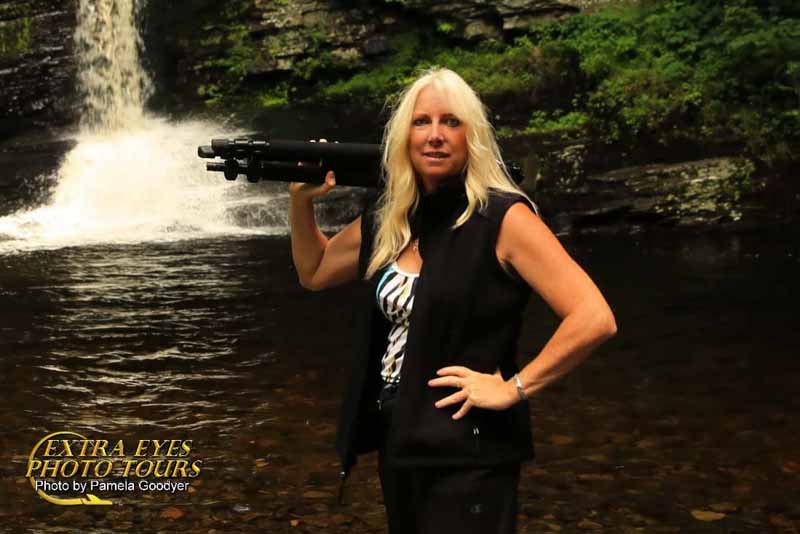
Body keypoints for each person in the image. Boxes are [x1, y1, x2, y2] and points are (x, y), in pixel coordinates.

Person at [288, 67, 617, 534]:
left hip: (470, 453)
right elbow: (315, 271)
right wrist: (301, 203)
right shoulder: (393, 217)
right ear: (403, 136)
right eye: (422, 122)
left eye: (452, 122)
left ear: (473, 136)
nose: (435, 136)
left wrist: (514, 387)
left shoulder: (503, 217)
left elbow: (594, 317)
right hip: (399, 440)